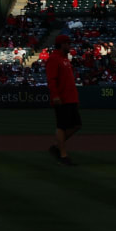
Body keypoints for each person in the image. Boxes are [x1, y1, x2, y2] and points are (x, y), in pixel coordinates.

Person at [46, 34, 82, 167]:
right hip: (61, 99)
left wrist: (75, 98)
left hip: (70, 98)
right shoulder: (54, 59)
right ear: (61, 44)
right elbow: (51, 80)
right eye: (67, 43)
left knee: (77, 125)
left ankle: (56, 146)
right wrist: (55, 96)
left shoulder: (65, 59)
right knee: (62, 126)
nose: (69, 45)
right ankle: (63, 155)